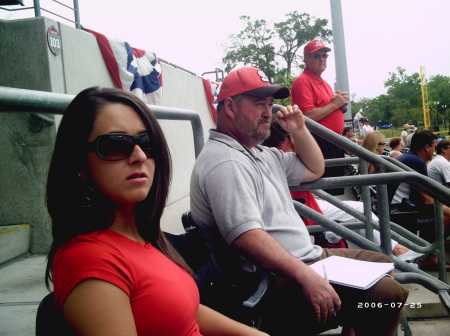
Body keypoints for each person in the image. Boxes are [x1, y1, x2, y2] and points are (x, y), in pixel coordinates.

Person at [191, 67, 408, 336]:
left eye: (270, 104)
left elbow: (315, 169)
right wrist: (307, 277)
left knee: (380, 264)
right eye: (258, 103)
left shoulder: (259, 153)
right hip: (269, 281)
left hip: (305, 259)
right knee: (387, 295)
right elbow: (246, 238)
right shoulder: (226, 161)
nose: (267, 112)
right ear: (230, 107)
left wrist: (299, 128)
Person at [45, 87, 268, 336]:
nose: (139, 156)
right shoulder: (88, 259)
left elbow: (184, 311)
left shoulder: (143, 236)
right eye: (115, 145)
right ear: (79, 165)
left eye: (147, 143)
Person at [263, 122, 419, 260]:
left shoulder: (271, 155)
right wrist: (297, 134)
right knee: (359, 210)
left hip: (295, 202)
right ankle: (395, 250)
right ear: (286, 138)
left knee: (358, 212)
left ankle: (394, 249)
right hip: (290, 207)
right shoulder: (280, 154)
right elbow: (313, 167)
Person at [291, 40, 349, 195]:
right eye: (317, 56)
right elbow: (305, 116)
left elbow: (328, 109)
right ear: (306, 59)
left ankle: (333, 219)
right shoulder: (302, 81)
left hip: (333, 141)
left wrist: (341, 106)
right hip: (319, 141)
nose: (322, 59)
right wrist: (334, 105)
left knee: (335, 191)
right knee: (324, 192)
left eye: (325, 55)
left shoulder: (324, 82)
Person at [391, 129, 450, 270]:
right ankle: (430, 256)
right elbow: (427, 199)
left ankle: (432, 251)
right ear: (427, 147)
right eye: (434, 147)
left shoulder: (410, 157)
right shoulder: (416, 161)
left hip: (395, 205)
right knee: (446, 214)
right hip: (398, 209)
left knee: (443, 211)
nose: (434, 152)